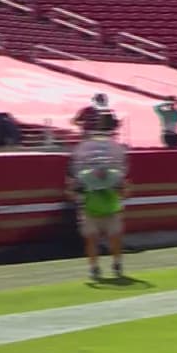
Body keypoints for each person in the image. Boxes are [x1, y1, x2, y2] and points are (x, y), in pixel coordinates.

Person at [67, 112, 129, 280]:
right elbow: (73, 190)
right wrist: (80, 197)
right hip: (91, 211)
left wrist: (120, 193)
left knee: (115, 238)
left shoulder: (114, 175)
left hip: (111, 210)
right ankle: (94, 267)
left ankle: (117, 263)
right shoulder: (85, 175)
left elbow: (125, 191)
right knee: (91, 239)